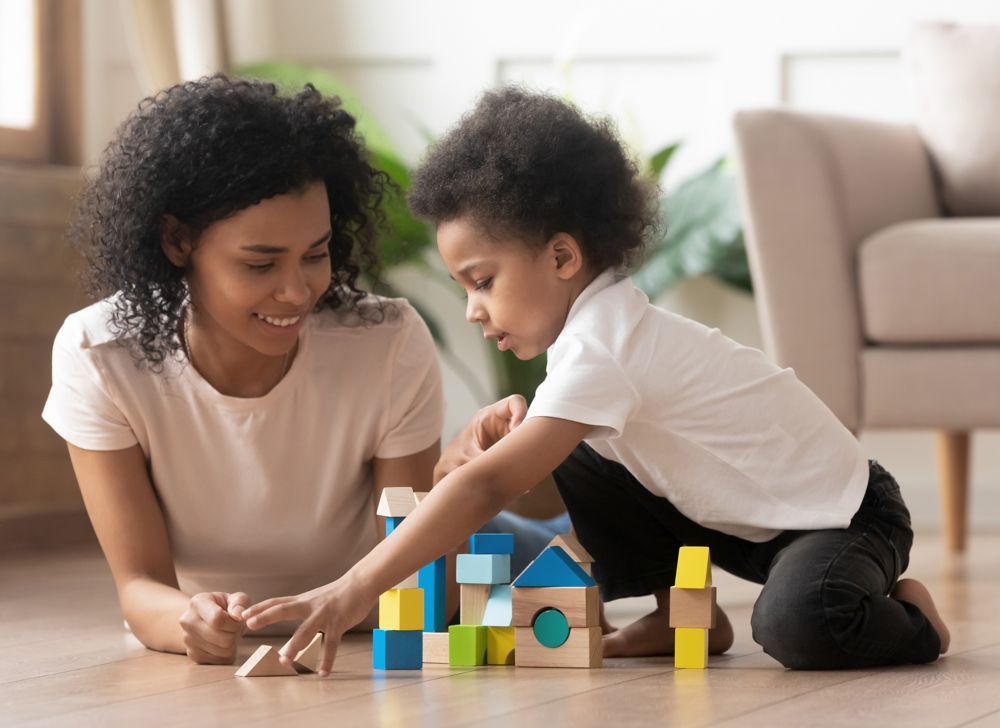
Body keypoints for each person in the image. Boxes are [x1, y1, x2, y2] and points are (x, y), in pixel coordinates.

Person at [242, 87, 950, 674]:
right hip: (740, 518)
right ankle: (681, 617)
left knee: (800, 625)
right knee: (574, 443)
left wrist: (353, 586)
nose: (471, 309)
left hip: (843, 517)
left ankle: (913, 620)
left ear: (562, 256)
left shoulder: (605, 346)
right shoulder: (595, 338)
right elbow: (517, 474)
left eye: (482, 282)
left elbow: (490, 488)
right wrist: (477, 453)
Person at [41, 76, 562, 667]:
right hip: (319, 616)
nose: (296, 291)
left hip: (422, 574)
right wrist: (188, 620)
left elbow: (415, 565)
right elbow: (139, 589)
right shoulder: (100, 354)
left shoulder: (383, 340)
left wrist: (447, 473)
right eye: (259, 263)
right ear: (178, 240)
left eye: (316, 254)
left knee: (579, 550)